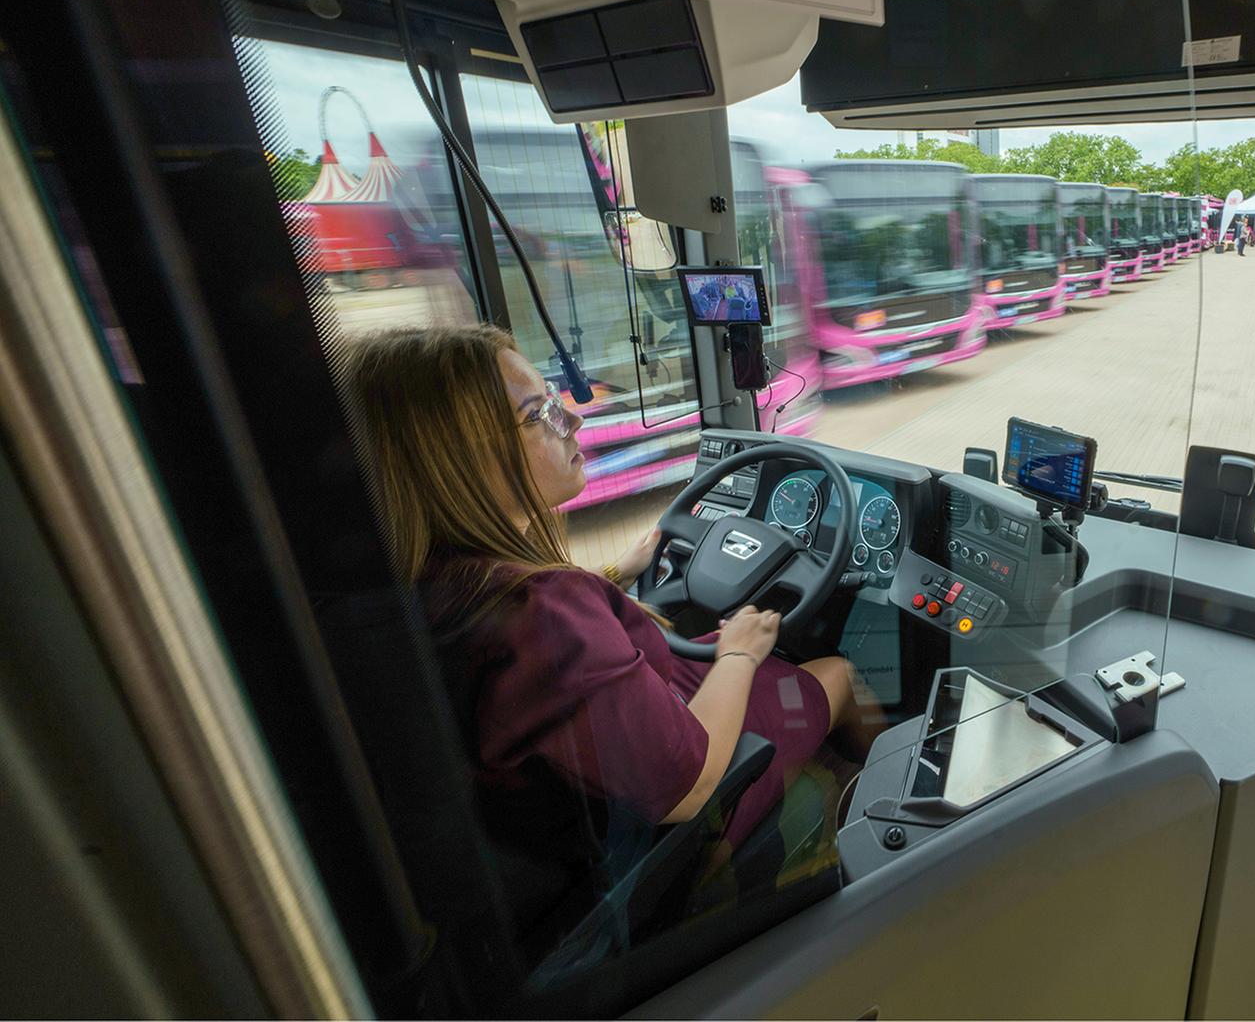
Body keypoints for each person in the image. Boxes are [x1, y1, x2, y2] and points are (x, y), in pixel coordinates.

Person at [341, 326, 874, 876]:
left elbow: (557, 649)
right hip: (672, 815)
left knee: (721, 644)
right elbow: (689, 787)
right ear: (459, 459)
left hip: (604, 777)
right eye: (539, 414)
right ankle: (877, 809)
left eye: (554, 401)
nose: (573, 420)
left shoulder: (431, 581)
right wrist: (739, 653)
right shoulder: (545, 611)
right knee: (834, 671)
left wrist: (619, 571)